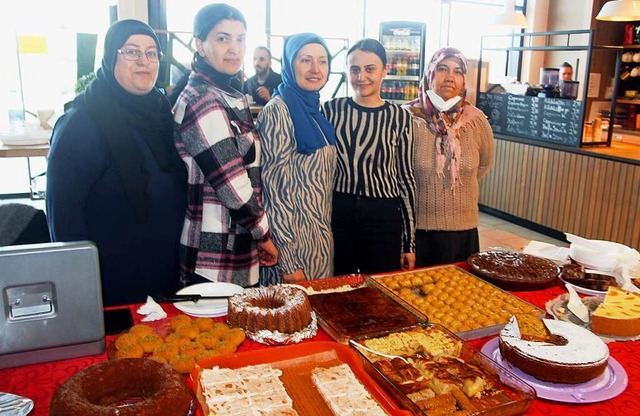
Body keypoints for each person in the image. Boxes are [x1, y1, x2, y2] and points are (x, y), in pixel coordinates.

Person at [46, 19, 187, 306]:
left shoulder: (160, 113)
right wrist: (81, 281)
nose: (143, 61)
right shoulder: (82, 122)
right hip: (111, 280)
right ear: (111, 57)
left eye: (151, 53)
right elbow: (63, 213)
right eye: (132, 52)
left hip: (164, 272)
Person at [172, 3, 277, 287]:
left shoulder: (231, 94)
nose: (234, 48)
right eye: (222, 38)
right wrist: (264, 234)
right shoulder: (202, 100)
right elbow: (233, 186)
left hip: (237, 246)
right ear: (200, 44)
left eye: (240, 38)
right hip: (213, 257)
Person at [321, 39, 416, 275]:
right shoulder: (331, 111)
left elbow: (406, 180)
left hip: (383, 216)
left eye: (370, 69)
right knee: (340, 287)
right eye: (355, 69)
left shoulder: (400, 117)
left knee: (380, 289)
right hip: (339, 213)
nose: (361, 76)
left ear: (385, 70)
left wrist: (408, 243)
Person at [257, 33, 337, 284]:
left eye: (322, 62)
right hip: (292, 253)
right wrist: (289, 262)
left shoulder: (316, 112)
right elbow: (275, 193)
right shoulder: (278, 111)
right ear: (290, 65)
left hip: (320, 246)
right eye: (305, 60)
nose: (315, 69)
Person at [404, 47, 494, 267]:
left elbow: (484, 165)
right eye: (442, 69)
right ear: (429, 74)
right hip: (419, 231)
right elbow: (398, 174)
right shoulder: (406, 118)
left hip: (464, 230)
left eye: (458, 71)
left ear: (464, 79)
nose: (450, 77)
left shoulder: (476, 120)